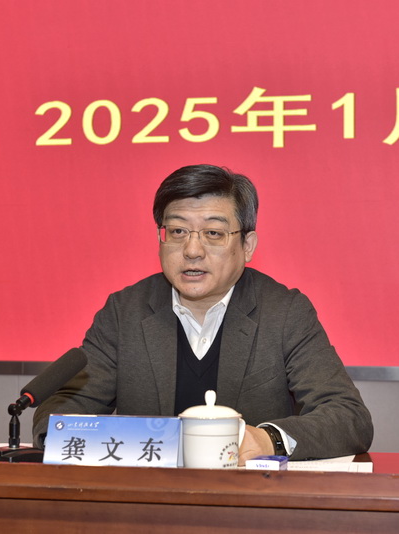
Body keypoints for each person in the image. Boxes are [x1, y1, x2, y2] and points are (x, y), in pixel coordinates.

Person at [33, 164, 373, 462]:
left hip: (249, 502)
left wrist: (266, 439)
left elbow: (348, 417)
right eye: (178, 231)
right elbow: (58, 417)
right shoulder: (125, 312)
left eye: (213, 233)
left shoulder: (284, 312)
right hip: (148, 501)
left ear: (247, 246)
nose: (192, 250)